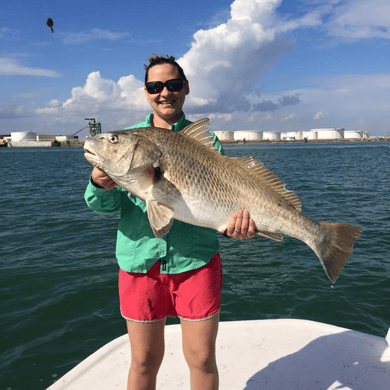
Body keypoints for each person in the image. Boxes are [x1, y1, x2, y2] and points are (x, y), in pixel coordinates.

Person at [84, 54, 256, 390]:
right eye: (155, 86)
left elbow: (220, 203)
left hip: (196, 262)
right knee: (144, 362)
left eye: (173, 84)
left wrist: (241, 228)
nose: (165, 92)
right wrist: (99, 184)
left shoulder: (207, 142)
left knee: (203, 359)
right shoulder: (130, 139)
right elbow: (100, 206)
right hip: (139, 263)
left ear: (185, 88)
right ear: (146, 92)